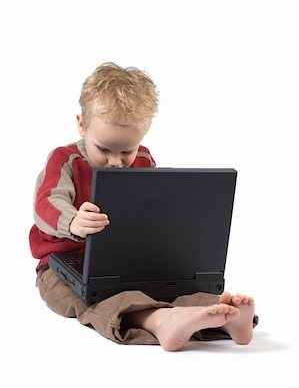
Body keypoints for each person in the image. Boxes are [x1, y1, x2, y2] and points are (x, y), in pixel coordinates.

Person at [29, 62, 258, 352]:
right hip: (62, 266)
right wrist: (73, 221)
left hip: (123, 262)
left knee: (170, 286)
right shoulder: (65, 160)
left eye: (127, 151)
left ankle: (220, 316)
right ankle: (161, 321)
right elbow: (46, 203)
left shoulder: (145, 160)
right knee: (99, 300)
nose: (116, 162)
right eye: (104, 149)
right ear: (82, 124)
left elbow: (152, 211)